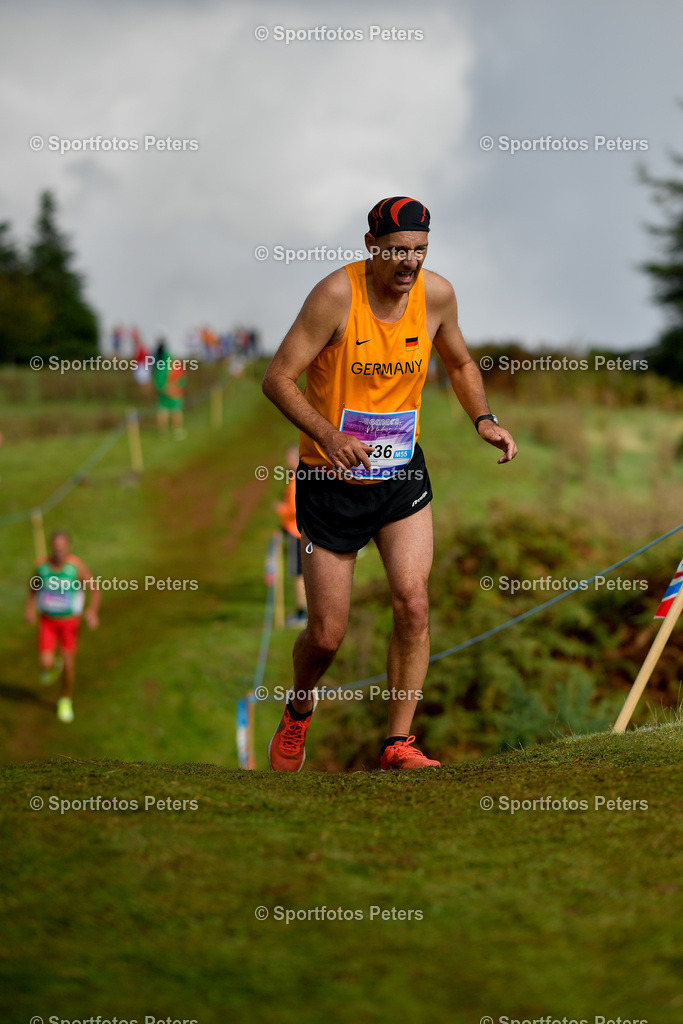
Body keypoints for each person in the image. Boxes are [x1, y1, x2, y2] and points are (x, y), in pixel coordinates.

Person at [262, 196, 518, 772]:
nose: (410, 264)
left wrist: (484, 419)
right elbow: (277, 378)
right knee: (326, 636)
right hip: (330, 479)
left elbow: (459, 363)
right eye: (399, 252)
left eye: (420, 253)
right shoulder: (335, 296)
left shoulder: (437, 296)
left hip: (400, 475)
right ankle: (299, 709)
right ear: (372, 246)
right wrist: (327, 434)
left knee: (414, 603)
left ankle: (397, 743)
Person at [24, 530, 100, 722]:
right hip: (48, 622)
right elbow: (33, 586)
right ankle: (52, 665)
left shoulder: (75, 567)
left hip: (69, 623)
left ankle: (65, 699)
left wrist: (92, 611)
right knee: (45, 663)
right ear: (51, 547)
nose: (58, 551)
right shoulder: (42, 567)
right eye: (55, 547)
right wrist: (30, 608)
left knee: (69, 663)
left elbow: (94, 589)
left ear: (68, 548)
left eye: (62, 547)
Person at [275, 445, 308, 628]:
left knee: (299, 574)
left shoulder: (297, 480)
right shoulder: (299, 478)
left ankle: (302, 612)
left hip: (296, 531)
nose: (286, 462)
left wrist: (281, 509)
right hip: (296, 530)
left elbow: (296, 508)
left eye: (290, 457)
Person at [153, 339, 187, 438]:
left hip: (171, 394)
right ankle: (174, 430)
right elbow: (182, 378)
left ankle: (164, 432)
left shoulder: (162, 365)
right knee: (172, 412)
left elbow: (158, 380)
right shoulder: (174, 364)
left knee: (167, 412)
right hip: (172, 394)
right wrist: (172, 388)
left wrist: (166, 388)